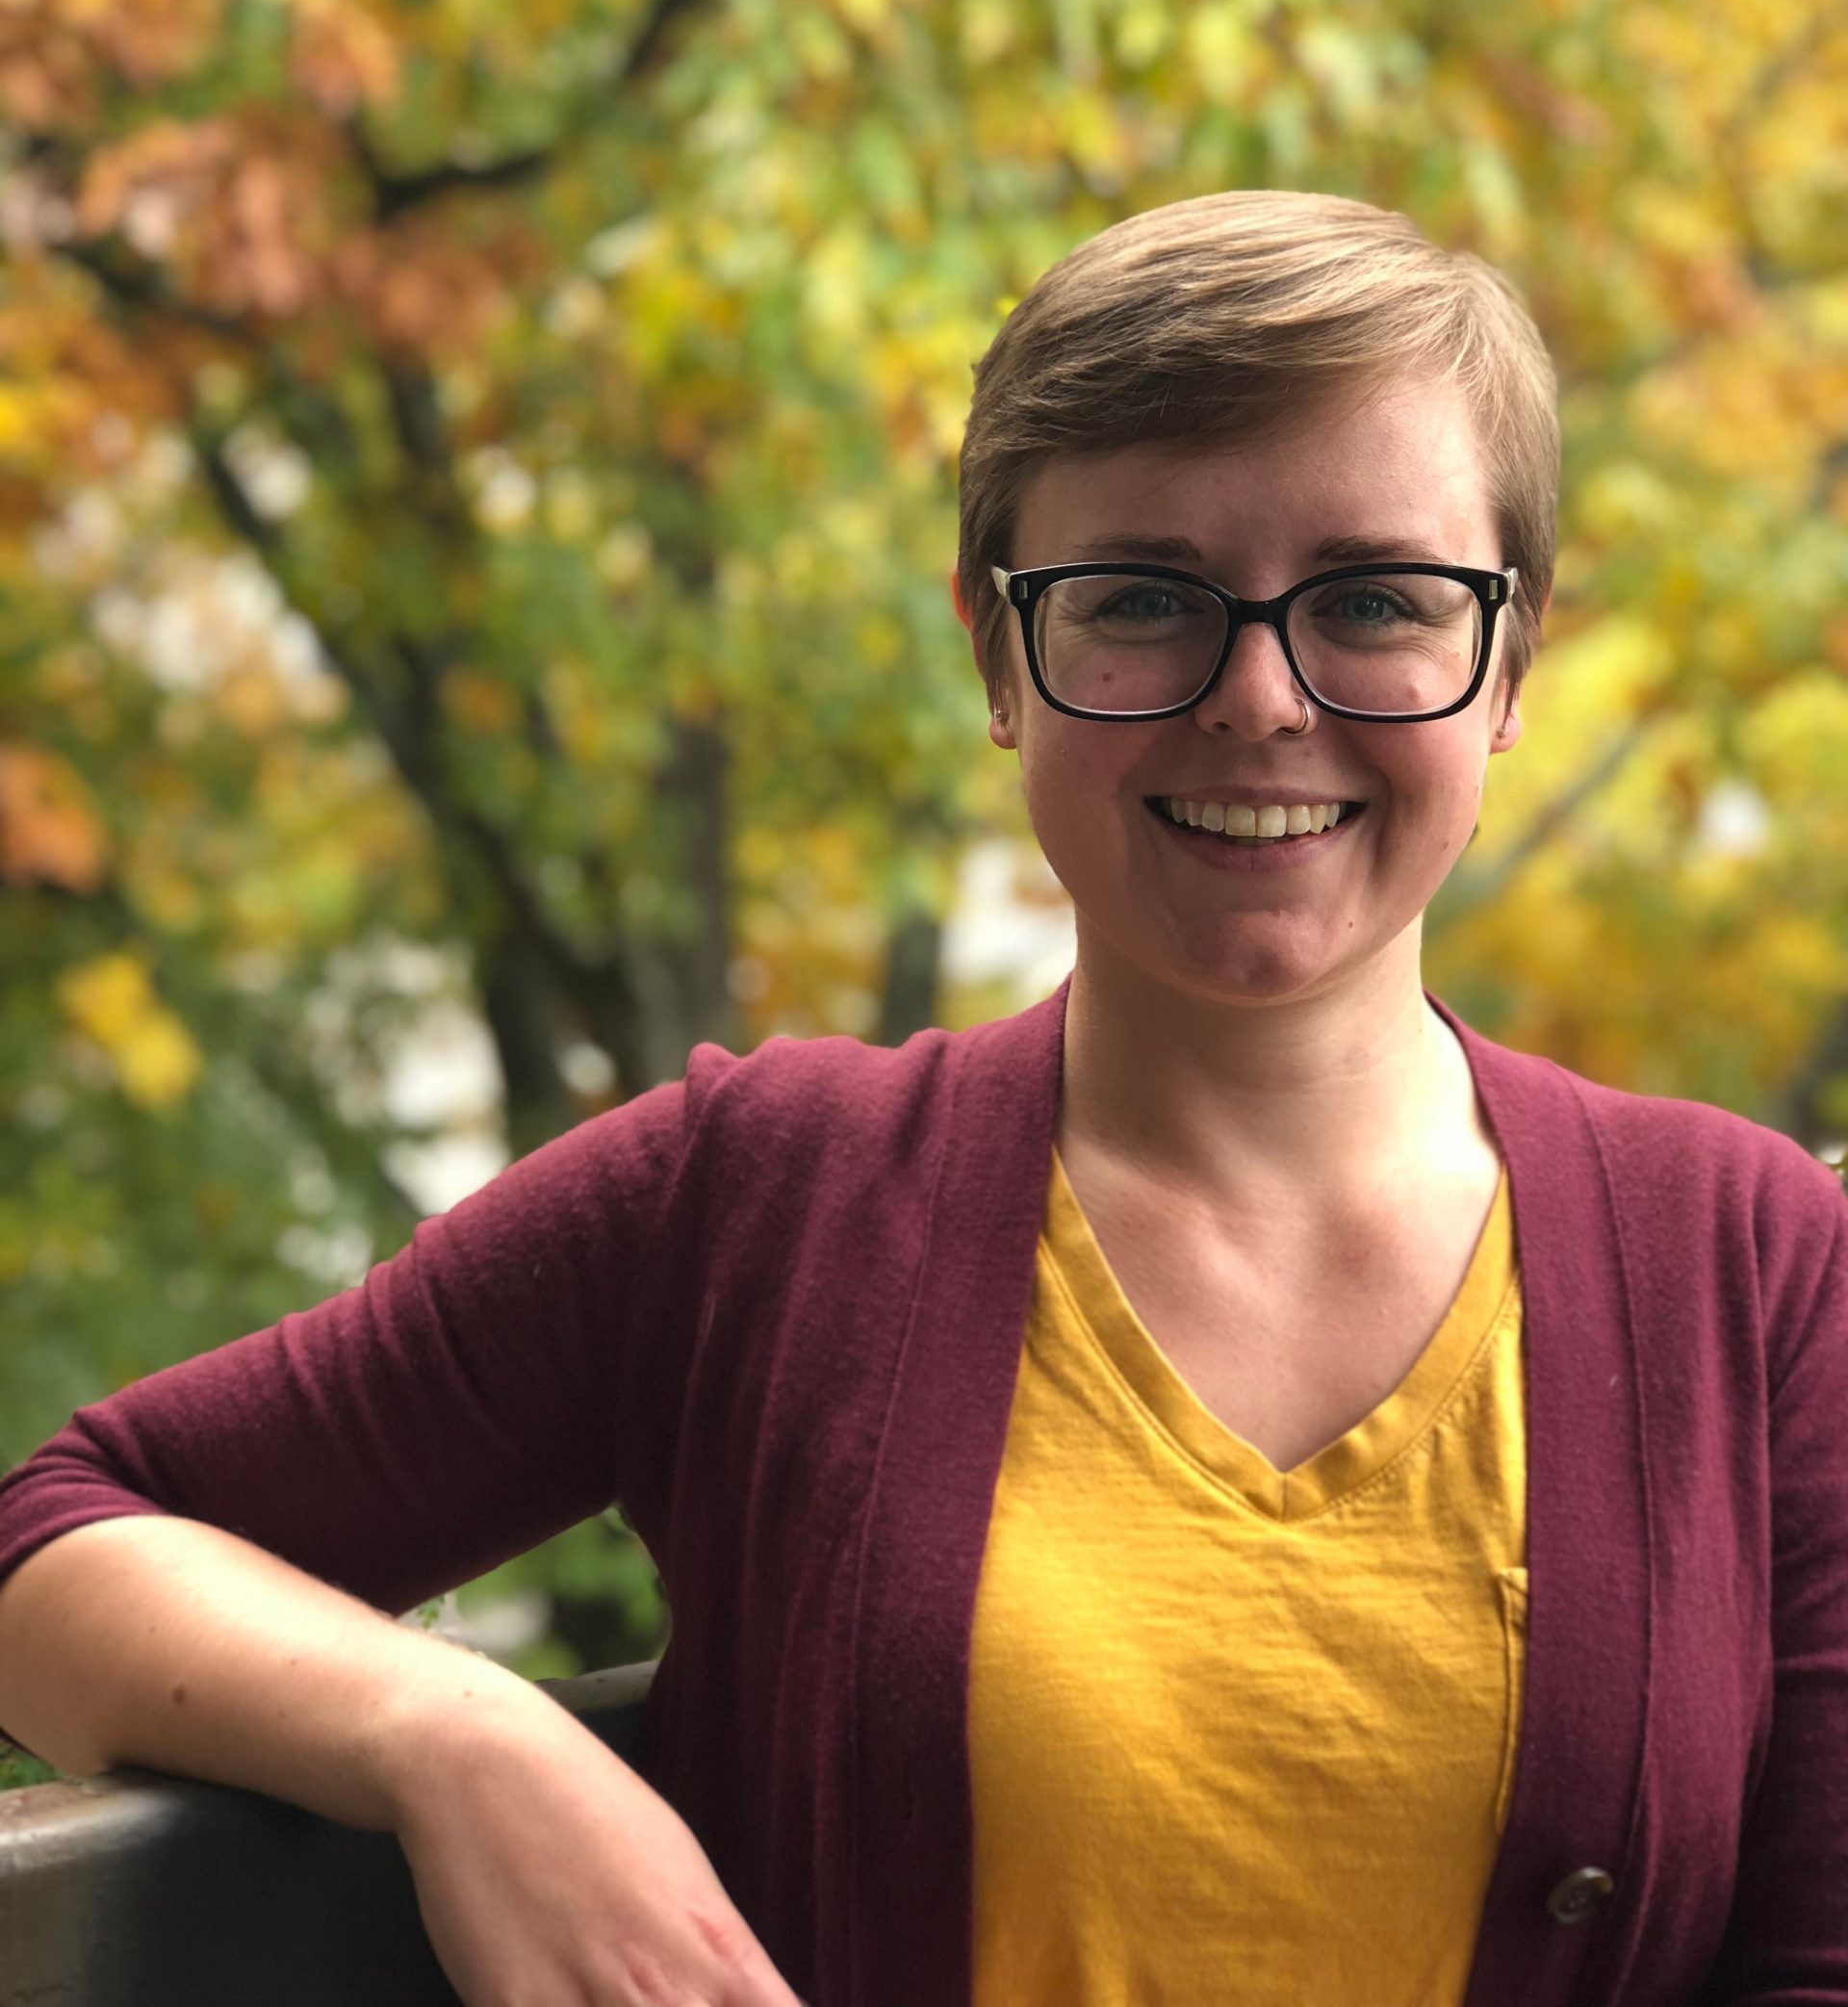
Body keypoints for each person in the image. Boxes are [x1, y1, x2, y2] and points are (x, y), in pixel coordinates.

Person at [0, 189, 1842, 2007]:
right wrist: (462, 1740)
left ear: (1507, 657)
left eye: (1373, 598)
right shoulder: (762, 1203)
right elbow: (58, 1537)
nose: (1261, 701)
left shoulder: (1757, 1267)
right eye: (1139, 599)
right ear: (994, 652)